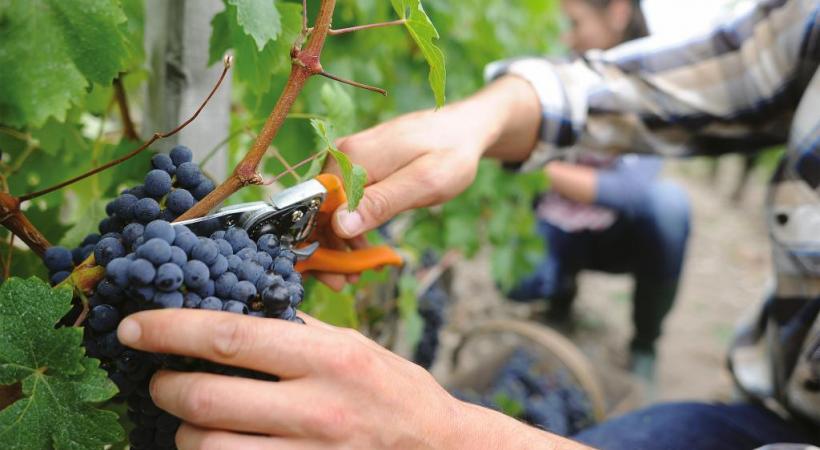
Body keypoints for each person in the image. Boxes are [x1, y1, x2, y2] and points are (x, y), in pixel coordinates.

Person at [116, 0, 820, 448]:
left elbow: (629, 181)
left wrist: (445, 435)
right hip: (762, 400)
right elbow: (704, 75)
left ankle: (642, 337)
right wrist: (477, 121)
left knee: (661, 213)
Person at [506, 0, 690, 379]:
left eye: (575, 22)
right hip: (555, 223)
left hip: (614, 235)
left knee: (669, 206)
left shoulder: (654, 83)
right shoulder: (557, 67)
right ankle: (560, 294)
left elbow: (627, 191)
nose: (565, 35)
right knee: (520, 282)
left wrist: (540, 164)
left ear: (618, 12)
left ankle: (645, 343)